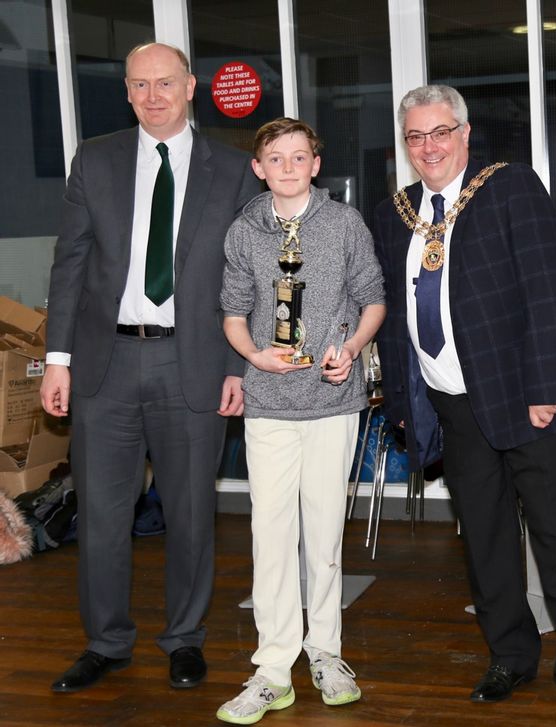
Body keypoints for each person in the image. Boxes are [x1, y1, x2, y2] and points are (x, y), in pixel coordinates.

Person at [372, 85, 556, 727]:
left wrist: (546, 391)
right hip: (451, 405)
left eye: (440, 132)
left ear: (465, 132)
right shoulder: (397, 211)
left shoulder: (510, 187)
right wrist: (401, 397)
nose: (429, 147)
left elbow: (551, 293)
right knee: (485, 541)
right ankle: (511, 655)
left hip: (526, 403)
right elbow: (393, 314)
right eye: (416, 137)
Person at [40, 42, 262, 692]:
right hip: (103, 365)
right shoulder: (97, 160)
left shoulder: (231, 169)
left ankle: (184, 638)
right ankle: (106, 641)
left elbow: (245, 275)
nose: (153, 96)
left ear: (190, 86)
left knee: (191, 512)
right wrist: (57, 360)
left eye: (165, 83)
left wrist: (236, 365)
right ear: (128, 91)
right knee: (103, 514)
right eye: (139, 85)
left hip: (192, 361)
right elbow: (70, 261)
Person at [216, 117, 384, 723]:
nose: (287, 167)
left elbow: (373, 298)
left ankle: (327, 653)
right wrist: (254, 354)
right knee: (271, 536)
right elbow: (233, 311)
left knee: (323, 537)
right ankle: (272, 668)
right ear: (259, 168)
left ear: (316, 163)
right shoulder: (243, 231)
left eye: (298, 157)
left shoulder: (345, 224)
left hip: (331, 401)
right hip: (268, 402)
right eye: (274, 158)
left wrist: (352, 348)